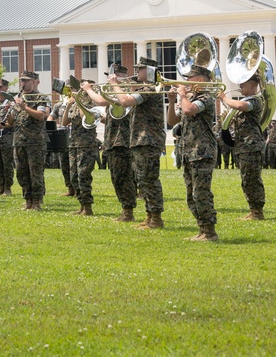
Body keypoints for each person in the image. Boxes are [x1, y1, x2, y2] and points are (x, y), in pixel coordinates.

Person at [102, 57, 167, 229]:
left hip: (148, 140)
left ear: (151, 70)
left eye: (140, 69)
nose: (136, 72)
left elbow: (125, 102)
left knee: (149, 180)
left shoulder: (150, 89)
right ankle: (149, 216)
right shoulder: (145, 88)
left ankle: (156, 218)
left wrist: (115, 84)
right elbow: (119, 102)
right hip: (140, 140)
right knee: (143, 180)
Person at [167, 64, 219, 241]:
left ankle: (210, 232)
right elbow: (172, 121)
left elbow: (189, 110)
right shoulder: (188, 99)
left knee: (201, 193)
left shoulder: (206, 98)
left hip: (202, 152)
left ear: (201, 80)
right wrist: (173, 100)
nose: (186, 81)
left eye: (190, 78)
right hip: (189, 152)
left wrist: (182, 95)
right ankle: (202, 229)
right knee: (191, 195)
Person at [82, 64, 137, 222]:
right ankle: (125, 210)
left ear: (119, 76)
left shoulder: (123, 91)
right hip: (112, 140)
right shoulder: (116, 92)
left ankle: (128, 212)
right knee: (116, 177)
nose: (108, 79)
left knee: (123, 177)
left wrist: (88, 89)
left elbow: (99, 101)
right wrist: (103, 119)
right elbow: (115, 116)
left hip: (122, 141)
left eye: (111, 75)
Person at [220, 73, 267, 220]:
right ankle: (253, 210)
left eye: (243, 84)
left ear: (253, 85)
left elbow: (241, 105)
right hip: (243, 146)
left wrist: (224, 98)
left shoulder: (255, 101)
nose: (240, 87)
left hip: (251, 146)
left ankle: (257, 212)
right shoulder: (247, 101)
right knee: (246, 180)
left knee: (252, 180)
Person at [3, 70, 49, 210]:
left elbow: (41, 115)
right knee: (22, 173)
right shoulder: (18, 97)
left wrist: (24, 107)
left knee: (35, 173)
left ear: (34, 82)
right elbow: (11, 122)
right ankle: (27, 200)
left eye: (26, 80)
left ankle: (36, 201)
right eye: (22, 80)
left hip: (35, 142)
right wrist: (8, 111)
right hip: (19, 141)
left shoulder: (40, 98)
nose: (23, 83)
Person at [60, 84, 98, 216]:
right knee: (74, 176)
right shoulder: (74, 103)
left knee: (84, 176)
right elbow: (64, 122)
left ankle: (88, 207)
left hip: (86, 144)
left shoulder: (90, 103)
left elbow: (84, 117)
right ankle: (81, 205)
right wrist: (69, 106)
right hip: (74, 144)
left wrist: (79, 102)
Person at [49, 98, 74, 197]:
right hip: (63, 138)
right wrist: (56, 126)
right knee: (64, 164)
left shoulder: (79, 103)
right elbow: (50, 118)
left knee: (74, 166)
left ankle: (78, 188)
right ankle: (70, 188)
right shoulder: (59, 105)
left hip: (76, 137)